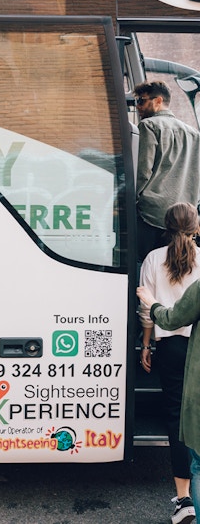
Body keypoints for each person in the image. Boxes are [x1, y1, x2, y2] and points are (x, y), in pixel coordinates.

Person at [138, 202, 200, 524]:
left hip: (170, 347)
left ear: (165, 226)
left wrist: (146, 345)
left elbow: (147, 311)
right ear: (196, 227)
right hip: (197, 344)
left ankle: (184, 500)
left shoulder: (151, 259)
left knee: (177, 419)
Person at [134, 81, 200, 263]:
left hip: (152, 215)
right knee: (176, 264)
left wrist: (133, 200)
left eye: (141, 101)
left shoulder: (148, 126)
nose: (138, 106)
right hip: (184, 217)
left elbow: (143, 172)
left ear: (158, 101)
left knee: (148, 265)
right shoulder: (194, 133)